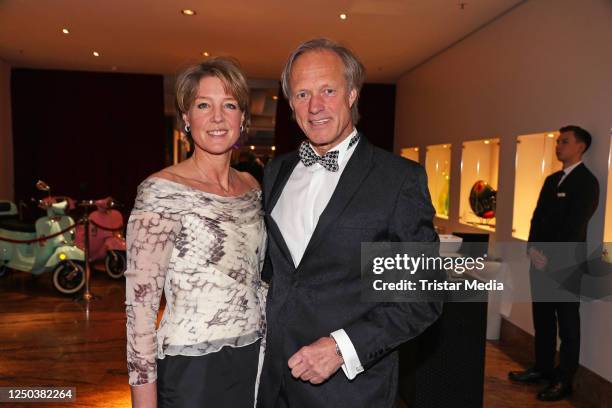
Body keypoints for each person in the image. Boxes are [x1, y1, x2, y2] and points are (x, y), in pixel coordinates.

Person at [257, 38, 443, 408]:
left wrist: (342, 348)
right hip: (272, 382)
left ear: (353, 94)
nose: (315, 107)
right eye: (302, 94)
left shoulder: (398, 180)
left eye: (328, 90)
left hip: (348, 391)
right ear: (291, 103)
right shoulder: (277, 171)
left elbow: (421, 296)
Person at [125, 57, 267, 408]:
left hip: (255, 357)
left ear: (242, 118)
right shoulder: (161, 191)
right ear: (186, 118)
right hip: (193, 369)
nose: (217, 118)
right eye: (204, 105)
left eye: (229, 105)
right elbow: (139, 311)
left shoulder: (251, 187)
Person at [508, 125, 599, 401]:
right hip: (540, 262)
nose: (558, 145)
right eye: (558, 141)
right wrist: (534, 249)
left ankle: (564, 380)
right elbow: (537, 218)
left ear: (580, 146)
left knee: (568, 324)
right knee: (543, 319)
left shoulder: (587, 182)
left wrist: (549, 255)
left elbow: (575, 225)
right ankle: (543, 368)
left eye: (564, 141)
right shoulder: (551, 180)